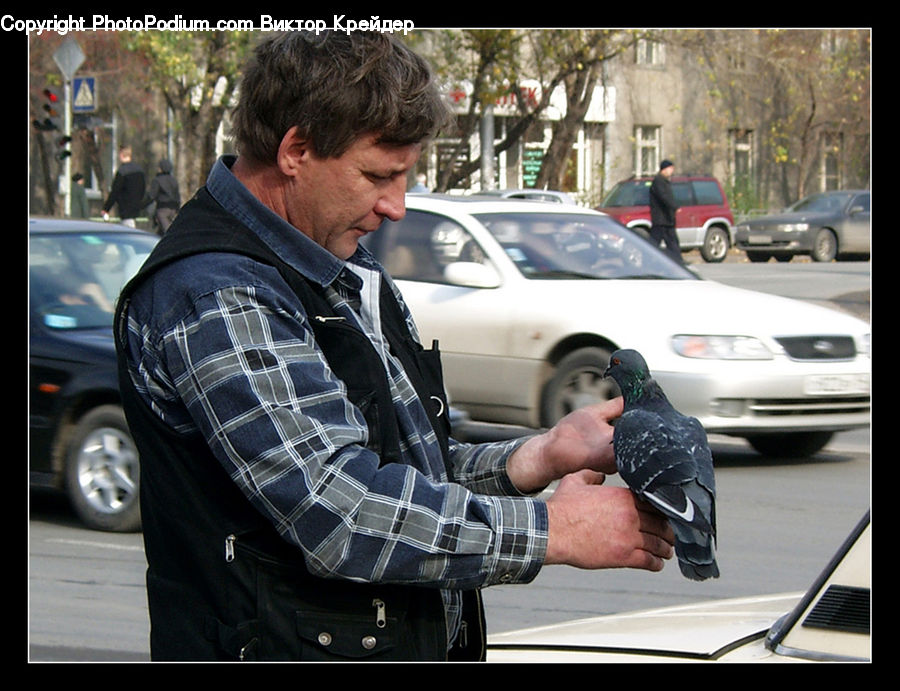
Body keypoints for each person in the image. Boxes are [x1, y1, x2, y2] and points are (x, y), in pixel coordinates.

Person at [115, 31, 674, 662]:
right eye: (378, 175)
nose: (396, 205)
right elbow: (341, 512)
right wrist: (558, 529)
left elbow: (407, 470)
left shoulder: (340, 265)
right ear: (296, 149)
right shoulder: (214, 294)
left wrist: (537, 457)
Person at [102, 146, 145, 227]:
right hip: (137, 208)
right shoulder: (140, 171)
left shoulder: (122, 171)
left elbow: (115, 191)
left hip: (125, 208)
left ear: (121, 155)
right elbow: (143, 189)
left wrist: (106, 208)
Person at [649, 159, 681, 262]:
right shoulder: (659, 181)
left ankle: (678, 262)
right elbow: (664, 197)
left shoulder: (665, 182)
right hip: (661, 219)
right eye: (670, 168)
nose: (672, 171)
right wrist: (674, 207)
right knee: (654, 243)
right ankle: (648, 261)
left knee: (672, 242)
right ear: (664, 169)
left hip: (667, 219)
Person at [145, 158, 181, 234]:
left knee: (166, 231)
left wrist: (143, 204)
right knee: (164, 230)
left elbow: (152, 196)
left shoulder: (157, 180)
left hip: (162, 209)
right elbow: (177, 196)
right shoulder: (173, 180)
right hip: (173, 209)